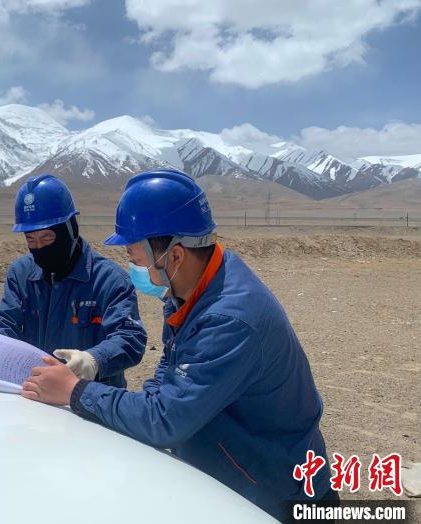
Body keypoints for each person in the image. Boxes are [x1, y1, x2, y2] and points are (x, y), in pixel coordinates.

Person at [21, 169, 336, 520]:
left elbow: (166, 420)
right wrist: (144, 404)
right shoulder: (191, 287)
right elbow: (170, 370)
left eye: (136, 259)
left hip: (275, 496)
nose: (133, 269)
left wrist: (76, 391)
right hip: (235, 482)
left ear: (174, 256)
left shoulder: (227, 320)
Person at [0, 174, 146, 387]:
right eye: (31, 240)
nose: (40, 248)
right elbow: (5, 320)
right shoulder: (21, 273)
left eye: (47, 238)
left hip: (90, 398)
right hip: (34, 392)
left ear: (70, 230)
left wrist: (94, 360)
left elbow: (130, 337)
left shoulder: (109, 279)